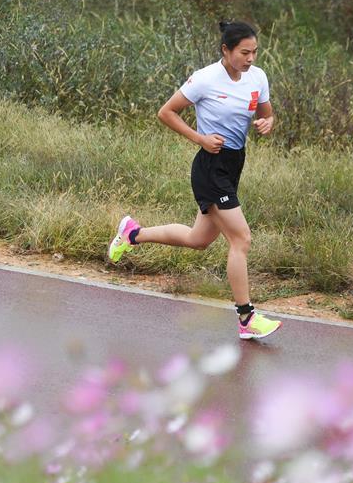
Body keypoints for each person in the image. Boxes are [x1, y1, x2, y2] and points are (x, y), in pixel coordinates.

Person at [109, 21, 282, 340]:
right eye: (244, 52)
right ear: (226, 51)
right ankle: (247, 318)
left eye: (255, 51)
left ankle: (133, 233)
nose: (251, 58)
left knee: (197, 239)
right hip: (209, 166)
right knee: (241, 239)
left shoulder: (257, 77)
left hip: (233, 164)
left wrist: (267, 122)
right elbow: (167, 112)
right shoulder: (204, 79)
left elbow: (267, 112)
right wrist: (199, 138)